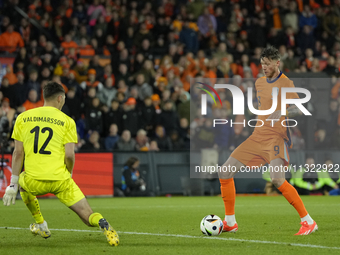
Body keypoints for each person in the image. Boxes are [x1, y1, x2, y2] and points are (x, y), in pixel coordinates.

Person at [2, 81, 119, 246]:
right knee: (87, 216)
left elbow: (18, 153)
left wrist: (13, 183)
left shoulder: (23, 118)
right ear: (59, 98)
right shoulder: (67, 121)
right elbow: (70, 155)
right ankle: (103, 223)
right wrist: (69, 173)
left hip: (34, 180)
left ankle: (41, 224)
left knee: (23, 183)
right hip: (60, 180)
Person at [218, 46, 318, 235]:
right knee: (224, 172)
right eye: (262, 63)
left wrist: (284, 111)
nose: (263, 67)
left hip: (275, 138)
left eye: (267, 64)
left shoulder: (286, 83)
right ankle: (230, 222)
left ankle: (308, 221)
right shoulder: (259, 83)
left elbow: (302, 108)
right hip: (257, 136)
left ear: (277, 63)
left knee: (277, 179)